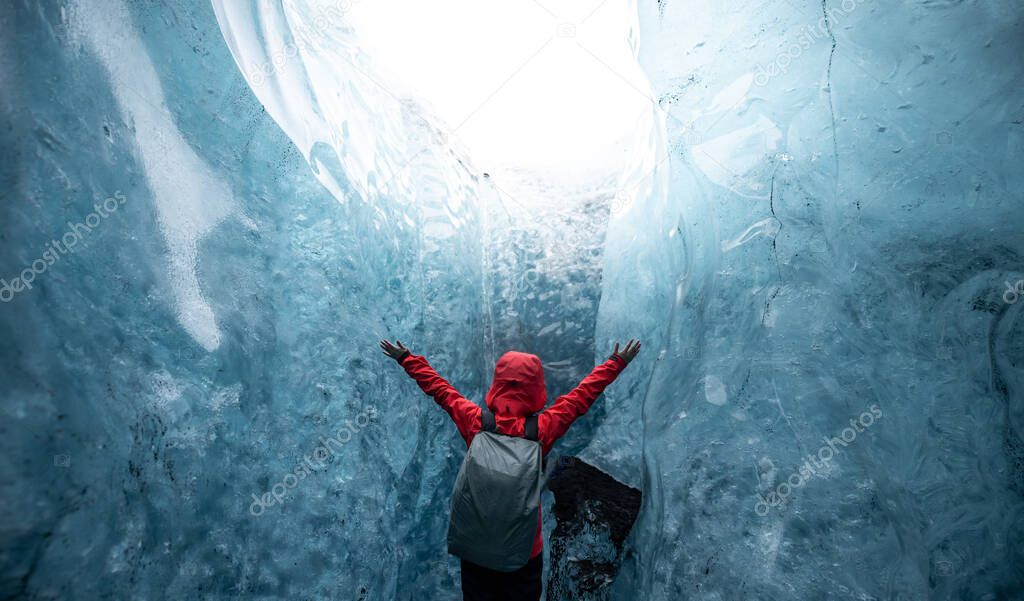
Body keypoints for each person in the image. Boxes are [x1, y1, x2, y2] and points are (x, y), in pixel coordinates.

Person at [379, 338, 641, 601]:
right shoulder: (542, 430)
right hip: (524, 553)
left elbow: (441, 390)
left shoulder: (475, 422)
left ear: (498, 384)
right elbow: (582, 396)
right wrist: (616, 363)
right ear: (536, 387)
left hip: (476, 549)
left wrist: (407, 359)